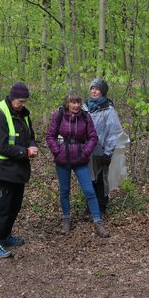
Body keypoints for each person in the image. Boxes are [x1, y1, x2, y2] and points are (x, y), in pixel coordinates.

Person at [0, 82, 39, 258]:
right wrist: (25, 152)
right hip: (3, 170)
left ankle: (5, 236)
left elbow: (31, 136)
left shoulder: (24, 115)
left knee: (14, 206)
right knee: (1, 208)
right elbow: (0, 146)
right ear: (12, 98)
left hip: (19, 170)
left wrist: (32, 146)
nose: (22, 105)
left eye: (25, 101)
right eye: (20, 101)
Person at [46, 92, 109, 238]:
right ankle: (66, 218)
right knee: (64, 191)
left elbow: (93, 137)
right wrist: (57, 151)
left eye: (78, 102)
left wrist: (85, 152)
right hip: (62, 159)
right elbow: (50, 135)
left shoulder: (85, 117)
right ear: (67, 104)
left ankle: (97, 221)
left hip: (80, 159)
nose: (76, 105)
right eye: (73, 102)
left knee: (89, 191)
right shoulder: (59, 116)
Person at [85, 77, 127, 217]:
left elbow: (113, 132)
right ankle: (90, 206)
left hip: (102, 150)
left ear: (102, 92)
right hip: (87, 151)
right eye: (92, 88)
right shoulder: (85, 107)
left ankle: (101, 206)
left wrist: (108, 153)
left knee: (101, 179)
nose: (94, 91)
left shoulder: (108, 110)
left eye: (97, 89)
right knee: (88, 178)